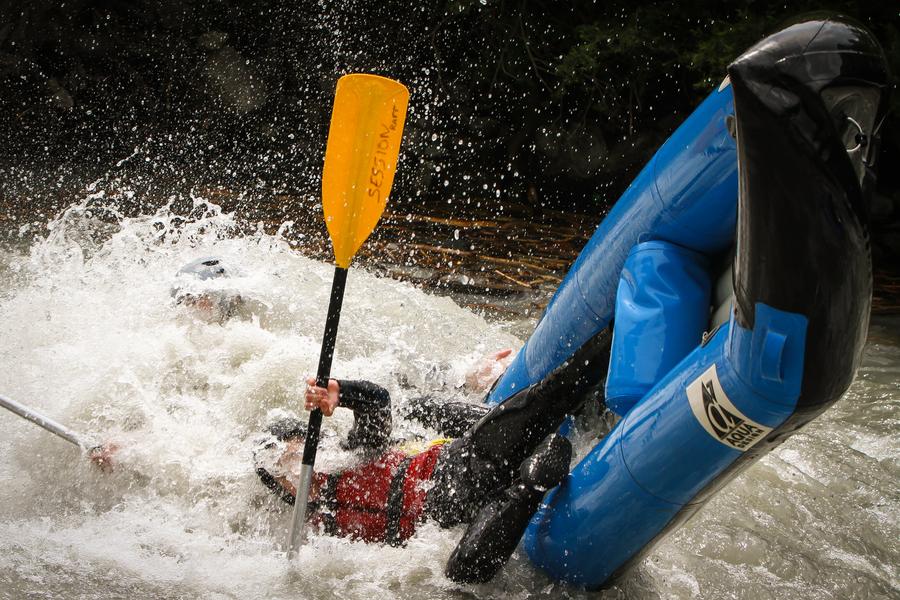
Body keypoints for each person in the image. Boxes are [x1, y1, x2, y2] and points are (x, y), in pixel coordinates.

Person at [254, 327, 611, 583]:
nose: (296, 475)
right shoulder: (317, 533)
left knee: (544, 401)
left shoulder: (349, 456)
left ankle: (612, 339)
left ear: (312, 446)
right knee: (460, 575)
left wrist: (340, 393)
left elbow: (378, 402)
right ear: (282, 491)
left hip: (452, 475)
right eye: (282, 473)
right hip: (449, 533)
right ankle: (534, 480)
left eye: (295, 456)